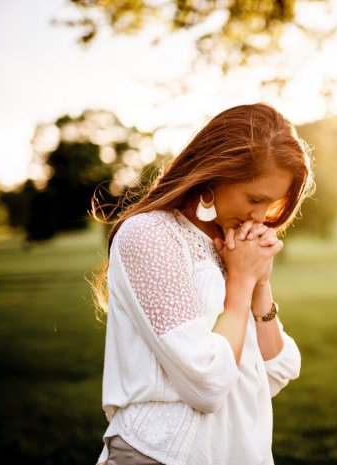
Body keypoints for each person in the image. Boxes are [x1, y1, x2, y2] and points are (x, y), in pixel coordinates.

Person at [91, 103, 314, 465]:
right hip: (159, 455)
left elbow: (278, 369)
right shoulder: (150, 235)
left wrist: (259, 283)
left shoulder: (231, 244)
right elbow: (208, 382)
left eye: (270, 203)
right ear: (214, 175)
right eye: (254, 199)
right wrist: (240, 283)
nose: (260, 217)